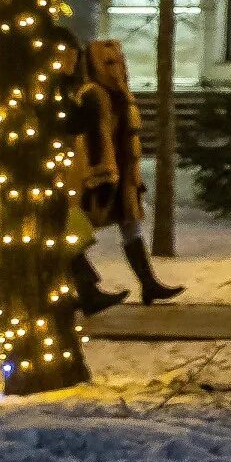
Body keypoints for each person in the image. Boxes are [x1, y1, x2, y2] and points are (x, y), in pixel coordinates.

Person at [72, 38, 180, 308]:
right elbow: (94, 139)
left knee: (130, 225)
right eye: (109, 62)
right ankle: (85, 289)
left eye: (119, 61)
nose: (117, 68)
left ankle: (148, 283)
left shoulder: (117, 93)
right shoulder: (94, 94)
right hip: (97, 176)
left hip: (120, 173)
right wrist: (99, 176)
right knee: (70, 232)